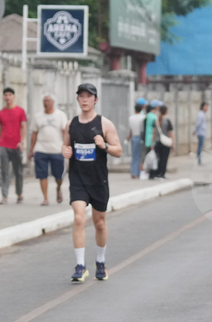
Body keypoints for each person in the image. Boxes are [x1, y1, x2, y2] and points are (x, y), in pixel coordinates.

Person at [61, 83, 122, 283]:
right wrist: (65, 151)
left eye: (89, 96)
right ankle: (80, 266)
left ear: (95, 100)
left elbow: (118, 150)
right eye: (81, 96)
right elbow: (65, 146)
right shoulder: (71, 125)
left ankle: (100, 262)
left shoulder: (105, 124)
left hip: (98, 180)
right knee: (79, 218)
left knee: (100, 223)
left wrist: (104, 145)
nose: (85, 99)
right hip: (78, 179)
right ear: (77, 99)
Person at [29, 94, 68, 205]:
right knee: (42, 175)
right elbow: (34, 134)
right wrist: (31, 150)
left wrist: (66, 146)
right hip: (41, 149)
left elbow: (65, 132)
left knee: (59, 175)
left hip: (57, 149)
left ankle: (58, 188)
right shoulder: (38, 116)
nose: (46, 103)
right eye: (44, 101)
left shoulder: (60, 115)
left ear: (53, 102)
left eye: (48, 101)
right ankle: (46, 198)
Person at [0, 87, 27, 204]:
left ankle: (19, 194)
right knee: (4, 172)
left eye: (10, 95)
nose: (8, 97)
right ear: (3, 97)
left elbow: (23, 127)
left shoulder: (20, 111)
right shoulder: (0, 113)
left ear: (14, 97)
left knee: (18, 171)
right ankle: (4, 196)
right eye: (6, 95)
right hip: (3, 145)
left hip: (16, 145)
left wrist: (22, 142)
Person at [152, 104, 174, 179]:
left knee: (159, 158)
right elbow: (170, 133)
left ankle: (158, 172)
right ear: (166, 111)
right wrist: (173, 143)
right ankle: (162, 173)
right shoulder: (167, 121)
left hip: (158, 142)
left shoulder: (156, 121)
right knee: (164, 159)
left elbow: (154, 132)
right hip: (166, 142)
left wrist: (152, 143)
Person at [127, 99, 148, 178]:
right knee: (140, 155)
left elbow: (130, 130)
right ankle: (138, 173)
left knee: (134, 155)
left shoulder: (131, 118)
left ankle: (133, 172)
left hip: (134, 137)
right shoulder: (143, 117)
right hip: (141, 137)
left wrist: (129, 137)